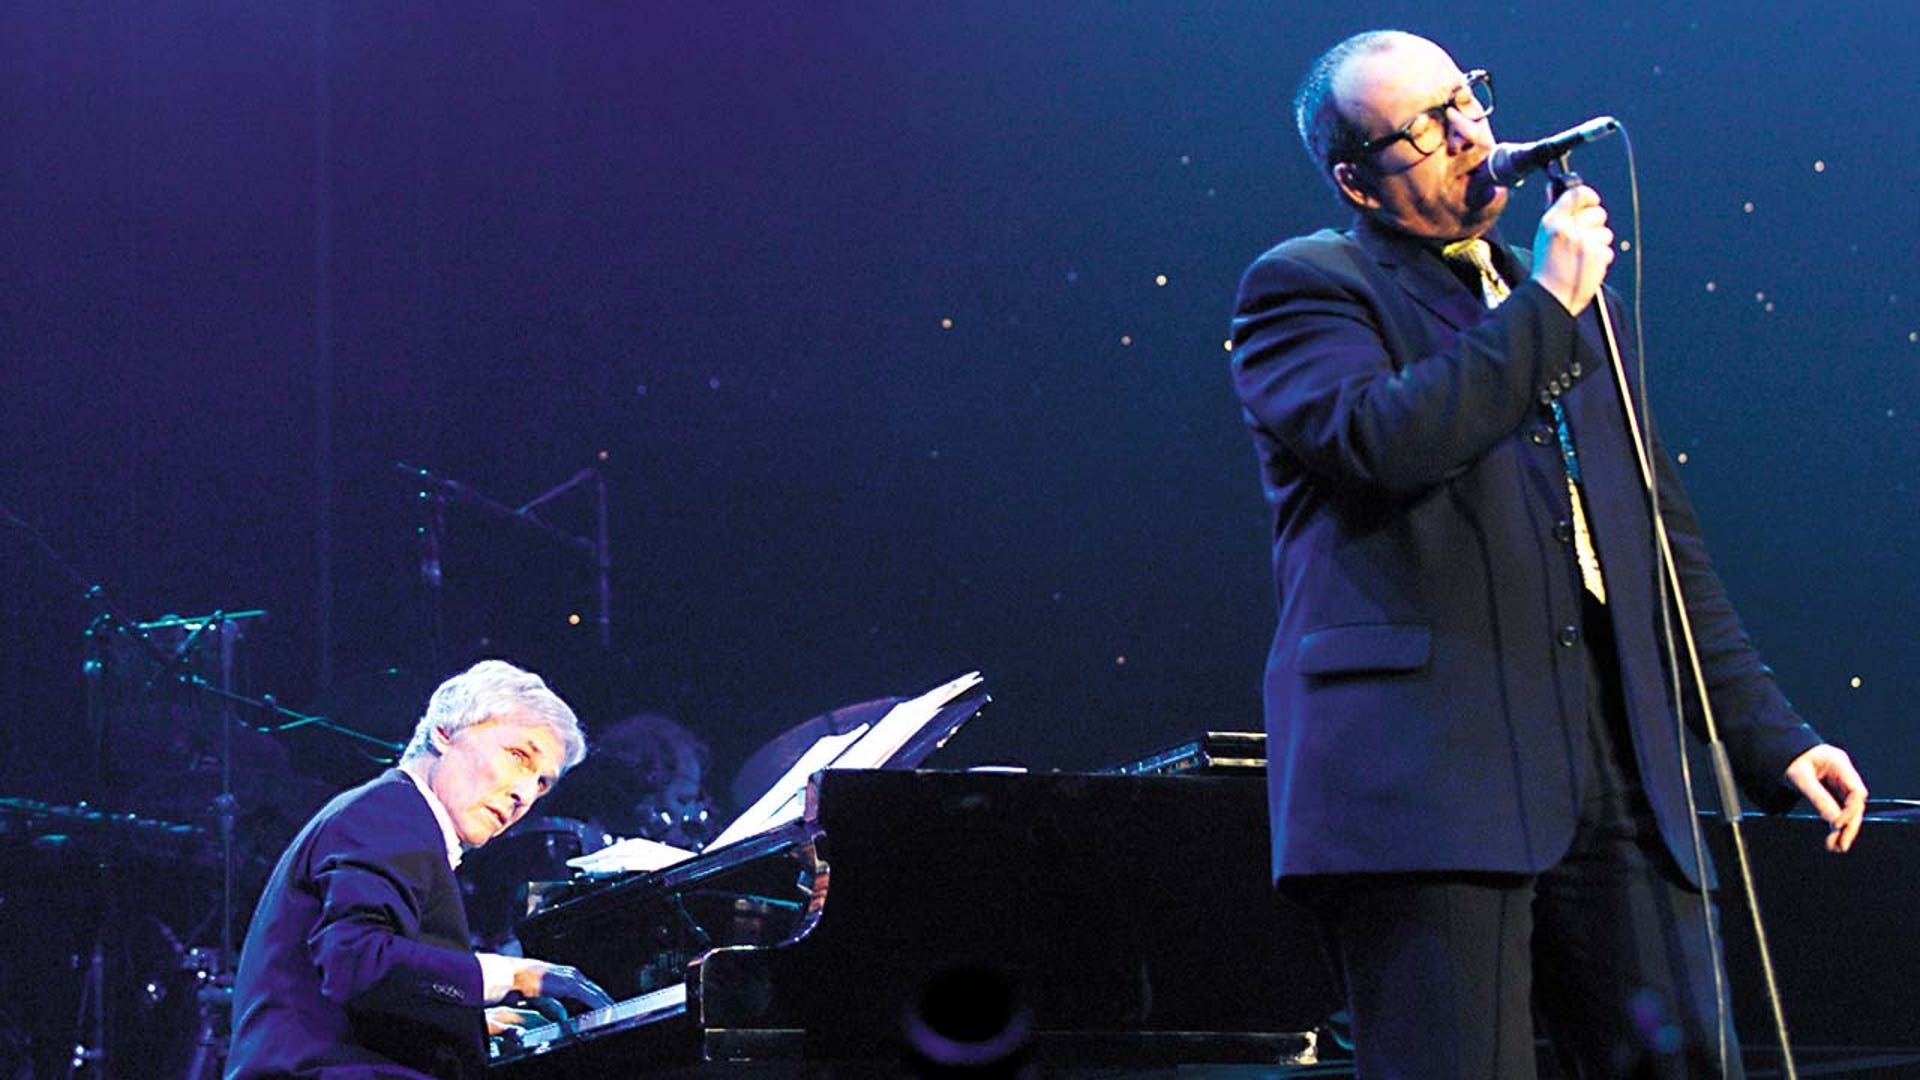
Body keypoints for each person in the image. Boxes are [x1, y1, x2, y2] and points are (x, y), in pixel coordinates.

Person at [1228, 30, 1869, 1078]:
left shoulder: (1567, 305)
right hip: (1434, 785)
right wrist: (1545, 308)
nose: (1466, 132)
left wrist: (1766, 734)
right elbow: (1383, 441)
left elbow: (1657, 541)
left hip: (1613, 772)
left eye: (1464, 101)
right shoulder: (1308, 287)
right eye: (1423, 129)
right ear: (1359, 179)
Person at [226, 659, 615, 1079]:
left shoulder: (399, 819)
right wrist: (517, 974)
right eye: (518, 755)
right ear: (444, 732)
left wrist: (464, 1022)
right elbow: (356, 960)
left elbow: (358, 991)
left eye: (542, 783)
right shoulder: (389, 811)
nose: (524, 794)